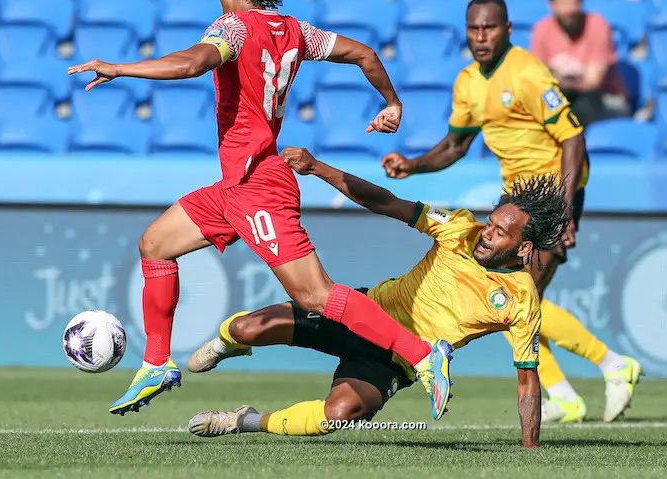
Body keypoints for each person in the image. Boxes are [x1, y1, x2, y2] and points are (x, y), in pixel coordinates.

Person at [67, 0, 452, 419]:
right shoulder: (296, 32)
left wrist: (120, 67)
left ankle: (422, 355)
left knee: (314, 295)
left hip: (259, 186)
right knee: (156, 245)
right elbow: (365, 53)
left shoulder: (233, 28)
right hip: (236, 186)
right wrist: (391, 103)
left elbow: (193, 63)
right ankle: (156, 364)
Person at [184, 146, 567, 449]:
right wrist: (318, 168)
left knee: (339, 413)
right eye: (492, 222)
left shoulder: (522, 298)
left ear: (524, 247)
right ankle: (229, 344)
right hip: (363, 314)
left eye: (501, 233)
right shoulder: (461, 227)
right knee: (245, 328)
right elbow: (386, 202)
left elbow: (526, 379)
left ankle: (242, 420)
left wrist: (530, 449)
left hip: (395, 361)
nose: (487, 234)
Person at [379, 0, 642, 423]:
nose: (481, 37)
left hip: (548, 201)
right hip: (514, 204)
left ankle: (610, 366)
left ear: (508, 30)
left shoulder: (527, 73)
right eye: (473, 29)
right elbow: (455, 145)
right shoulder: (467, 81)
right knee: (513, 299)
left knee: (516, 299)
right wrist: (412, 165)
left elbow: (573, 137)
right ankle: (568, 394)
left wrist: (563, 210)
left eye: (490, 28)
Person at [530, 0, 628, 128]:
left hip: (605, 100)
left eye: (574, 3)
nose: (569, 10)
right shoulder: (542, 29)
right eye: (563, 3)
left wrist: (556, 77)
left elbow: (593, 82)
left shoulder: (598, 26)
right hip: (562, 99)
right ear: (552, 5)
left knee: (579, 108)